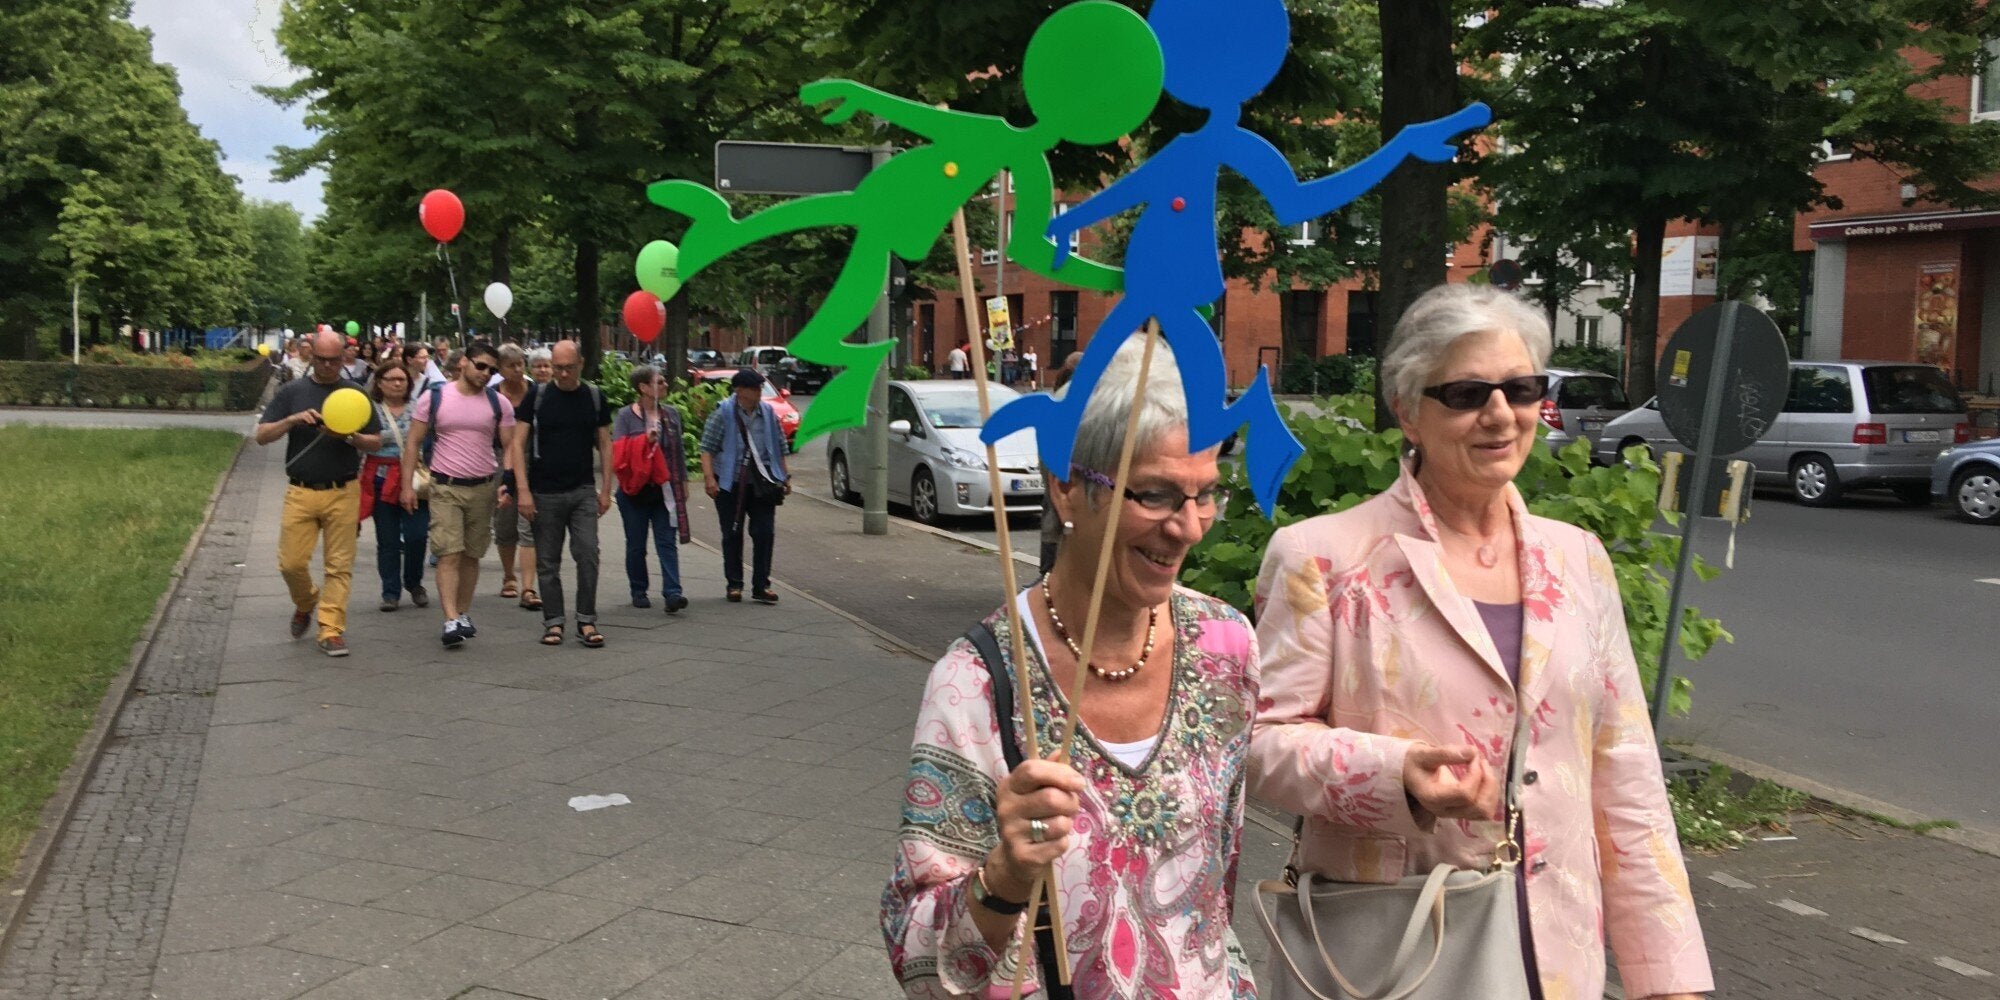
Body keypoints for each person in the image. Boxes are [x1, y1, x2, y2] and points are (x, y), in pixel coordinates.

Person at [1247, 283, 1712, 1000]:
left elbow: (1626, 775)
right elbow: (1261, 744)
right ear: (1408, 410)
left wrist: (1667, 976)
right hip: (1396, 954)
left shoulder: (1577, 560)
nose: (1500, 414)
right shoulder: (1323, 557)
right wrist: (1395, 773)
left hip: (1554, 958)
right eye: (1467, 394)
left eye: (1521, 389)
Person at [882, 335, 1256, 998]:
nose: (1190, 528)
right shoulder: (975, 683)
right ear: (1066, 487)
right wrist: (1004, 876)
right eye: (1156, 494)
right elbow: (918, 958)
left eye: (1205, 495)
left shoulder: (1227, 646)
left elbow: (1215, 889)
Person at [255, 327, 383, 657]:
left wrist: (348, 436)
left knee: (339, 565)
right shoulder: (292, 391)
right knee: (291, 563)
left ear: (344, 357)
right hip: (301, 490)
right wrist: (293, 420)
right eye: (321, 359)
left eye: (334, 360)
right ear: (311, 356)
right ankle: (306, 601)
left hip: (343, 488)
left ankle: (331, 629)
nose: (327, 366)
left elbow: (375, 441)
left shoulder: (355, 393)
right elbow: (262, 436)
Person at [400, 339, 528, 648]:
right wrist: (406, 486)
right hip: (445, 486)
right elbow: (413, 442)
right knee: (449, 553)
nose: (485, 373)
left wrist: (508, 482)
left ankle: (462, 613)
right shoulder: (435, 397)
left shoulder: (499, 403)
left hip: (483, 487)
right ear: (463, 363)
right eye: (480, 366)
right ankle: (450, 618)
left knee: (472, 555)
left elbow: (510, 446)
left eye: (491, 370)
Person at [517, 342, 615, 647]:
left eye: (568, 368)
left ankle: (586, 619)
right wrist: (523, 490)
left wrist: (606, 489)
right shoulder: (538, 396)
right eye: (557, 367)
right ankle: (554, 621)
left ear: (580, 364)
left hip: (582, 490)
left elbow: (605, 443)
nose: (561, 374)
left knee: (588, 553)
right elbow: (517, 444)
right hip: (544, 491)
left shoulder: (594, 397)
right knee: (548, 561)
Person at [699, 369, 790, 604]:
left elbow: (780, 446)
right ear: (739, 391)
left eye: (760, 388)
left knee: (764, 532)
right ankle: (734, 584)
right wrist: (709, 479)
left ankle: (761, 585)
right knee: (732, 533)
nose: (759, 392)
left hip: (763, 482)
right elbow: (707, 448)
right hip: (729, 482)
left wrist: (784, 476)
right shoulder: (723, 413)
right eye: (755, 388)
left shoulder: (768, 413)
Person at [612, 365, 692, 612]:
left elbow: (678, 451)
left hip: (664, 489)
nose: (665, 385)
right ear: (643, 388)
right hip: (634, 491)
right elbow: (619, 450)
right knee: (636, 544)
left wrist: (683, 482)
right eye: (660, 382)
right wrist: (643, 441)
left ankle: (673, 592)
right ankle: (639, 590)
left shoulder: (671, 414)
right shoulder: (626, 416)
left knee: (667, 541)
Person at [359, 359, 428, 612]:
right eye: (391, 379)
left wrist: (381, 438)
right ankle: (390, 591)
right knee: (387, 539)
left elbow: (427, 437)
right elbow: (361, 441)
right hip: (380, 477)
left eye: (402, 379)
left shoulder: (419, 407)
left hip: (415, 479)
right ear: (379, 383)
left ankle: (414, 582)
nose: (398, 384)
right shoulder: (369, 410)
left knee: (417, 534)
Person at [492, 343, 540, 609]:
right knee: (504, 522)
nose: (518, 369)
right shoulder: (492, 394)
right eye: (511, 366)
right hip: (499, 459)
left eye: (521, 364)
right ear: (500, 369)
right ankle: (509, 575)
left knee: (528, 523)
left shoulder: (534, 391)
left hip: (532, 459)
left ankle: (528, 587)